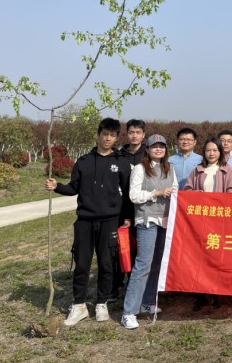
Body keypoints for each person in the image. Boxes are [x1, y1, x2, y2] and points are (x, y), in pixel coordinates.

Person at [45, 118, 132, 327]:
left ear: (116, 138)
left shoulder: (121, 161)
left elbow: (128, 192)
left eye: (112, 135)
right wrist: (57, 186)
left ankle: (102, 303)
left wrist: (127, 216)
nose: (108, 138)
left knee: (106, 263)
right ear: (98, 135)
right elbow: (73, 188)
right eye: (105, 134)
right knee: (82, 263)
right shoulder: (83, 161)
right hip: (84, 221)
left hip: (110, 221)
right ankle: (79, 306)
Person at [120, 134, 177, 329]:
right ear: (148, 149)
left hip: (165, 221)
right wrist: (157, 193)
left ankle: (147, 302)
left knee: (157, 263)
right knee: (143, 264)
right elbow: (134, 195)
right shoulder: (140, 169)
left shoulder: (169, 168)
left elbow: (175, 190)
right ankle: (129, 311)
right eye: (154, 146)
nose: (158, 149)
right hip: (147, 220)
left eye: (162, 146)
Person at [184, 137, 232, 310]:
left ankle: (216, 293)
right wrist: (196, 194)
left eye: (215, 150)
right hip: (199, 222)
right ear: (204, 152)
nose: (211, 153)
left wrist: (219, 200)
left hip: (219, 221)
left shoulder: (227, 170)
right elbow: (187, 191)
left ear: (220, 152)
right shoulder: (197, 170)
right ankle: (200, 295)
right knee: (199, 257)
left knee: (216, 257)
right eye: (208, 150)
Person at [109, 118, 146, 303]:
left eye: (138, 132)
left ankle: (135, 285)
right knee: (120, 249)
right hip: (123, 209)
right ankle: (115, 286)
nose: (134, 136)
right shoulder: (118, 155)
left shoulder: (149, 154)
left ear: (143, 135)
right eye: (131, 132)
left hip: (143, 210)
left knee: (139, 249)